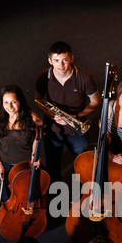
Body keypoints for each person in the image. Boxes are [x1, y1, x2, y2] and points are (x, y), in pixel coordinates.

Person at [35, 41, 101, 182]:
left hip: (77, 130)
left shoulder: (84, 77)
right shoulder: (43, 77)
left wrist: (75, 116)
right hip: (53, 129)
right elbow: (38, 100)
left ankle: (85, 197)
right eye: (56, 60)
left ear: (71, 58)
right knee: (53, 167)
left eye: (65, 60)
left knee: (83, 166)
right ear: (50, 61)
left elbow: (96, 102)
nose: (61, 65)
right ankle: (56, 198)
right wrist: (50, 114)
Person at [0, 84, 42, 202]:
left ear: (20, 101)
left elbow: (36, 138)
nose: (10, 106)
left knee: (26, 195)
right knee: (7, 198)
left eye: (13, 102)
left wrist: (35, 154)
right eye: (6, 102)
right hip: (5, 165)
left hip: (25, 165)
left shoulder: (31, 117)